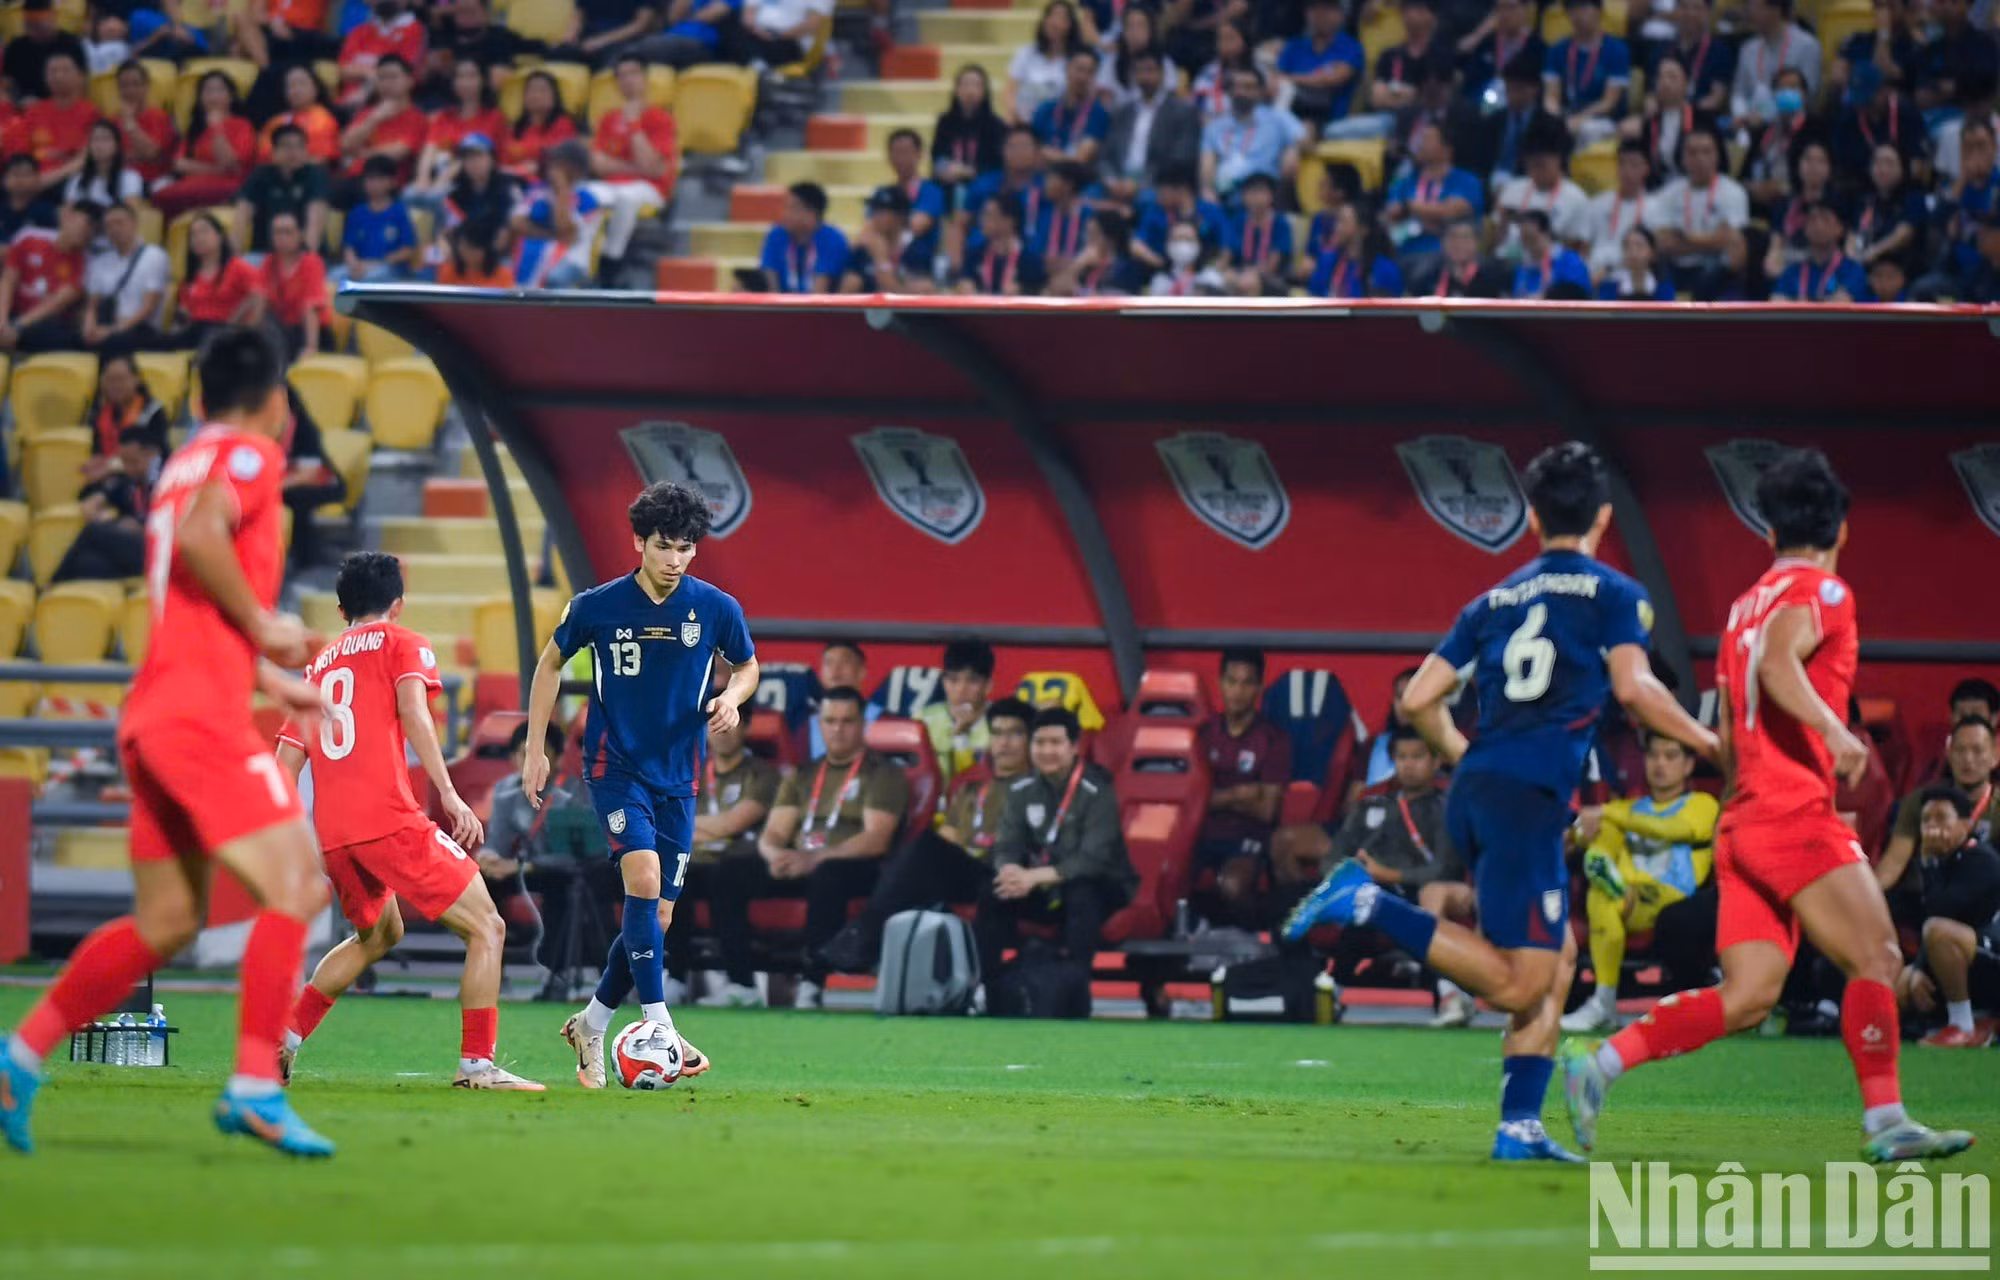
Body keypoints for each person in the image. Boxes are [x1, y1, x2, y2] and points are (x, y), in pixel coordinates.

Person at [1285, 441, 1721, 1163]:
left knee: (1559, 959)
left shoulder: (1491, 601)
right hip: (1524, 799)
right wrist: (1710, 745)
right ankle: (1365, 902)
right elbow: (1634, 689)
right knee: (1522, 982)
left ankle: (1519, 1126)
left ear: (1530, 517)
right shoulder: (1616, 594)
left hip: (1491, 788)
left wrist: (1467, 755)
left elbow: (1421, 699)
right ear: (1604, 517)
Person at [1561, 448, 1974, 1164]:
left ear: (1767, 532)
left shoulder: (1742, 605)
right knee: (1876, 954)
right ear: (1842, 530)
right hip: (1791, 811)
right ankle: (1887, 1122)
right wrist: (1834, 728)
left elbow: (1730, 709)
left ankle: (1599, 1066)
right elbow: (1779, 664)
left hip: (1742, 816)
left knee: (1750, 994)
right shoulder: (1825, 593)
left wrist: (1741, 776)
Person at [0, 327, 335, 1158]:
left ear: (192, 398)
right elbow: (201, 541)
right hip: (198, 719)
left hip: (154, 713)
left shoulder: (176, 466)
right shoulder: (250, 455)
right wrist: (264, 625)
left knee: (168, 919)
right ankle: (257, 1084)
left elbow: (188, 600)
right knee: (296, 885)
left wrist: (267, 675)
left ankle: (17, 1057)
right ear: (277, 405)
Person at [274, 553, 542, 1091]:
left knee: (377, 935)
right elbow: (416, 713)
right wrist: (449, 794)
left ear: (341, 607)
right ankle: (477, 1065)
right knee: (487, 927)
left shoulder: (318, 665)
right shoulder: (403, 643)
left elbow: (286, 759)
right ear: (397, 604)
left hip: (335, 835)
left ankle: (283, 1038)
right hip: (389, 821)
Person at [525, 480, 758, 1088]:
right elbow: (550, 662)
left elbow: (748, 664)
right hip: (614, 765)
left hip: (679, 776)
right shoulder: (597, 606)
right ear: (638, 543)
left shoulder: (715, 608)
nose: (674, 560)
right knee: (644, 879)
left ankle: (594, 1021)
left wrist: (732, 696)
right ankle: (662, 1027)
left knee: (658, 918)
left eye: (685, 549)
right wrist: (534, 750)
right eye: (663, 547)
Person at [705, 686, 907, 1008]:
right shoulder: (804, 774)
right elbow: (774, 833)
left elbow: (876, 838)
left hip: (854, 865)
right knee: (728, 873)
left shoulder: (883, 773)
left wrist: (814, 859)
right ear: (820, 725)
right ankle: (741, 984)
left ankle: (813, 982)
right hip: (802, 860)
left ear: (862, 725)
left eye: (847, 721)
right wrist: (774, 856)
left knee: (828, 875)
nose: (837, 729)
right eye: (830, 721)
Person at [818, 697, 1035, 977]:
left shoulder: (1036, 788)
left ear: (1031, 739)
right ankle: (866, 944)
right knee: (919, 853)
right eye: (997, 733)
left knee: (924, 852)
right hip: (968, 870)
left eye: (1015, 734)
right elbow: (951, 836)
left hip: (1006, 871)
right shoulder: (972, 784)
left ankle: (864, 937)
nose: (1004, 743)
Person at [1561, 735, 1719, 1033]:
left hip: (1672, 898)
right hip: (1628, 894)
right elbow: (1584, 829)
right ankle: (1603, 865)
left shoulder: (1702, 804)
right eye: (1653, 756)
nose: (1660, 764)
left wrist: (1604, 811)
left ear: (1687, 766)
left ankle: (1604, 1004)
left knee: (1604, 881)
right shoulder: (1628, 807)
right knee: (1603, 884)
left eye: (1670, 756)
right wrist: (1576, 834)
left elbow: (1673, 829)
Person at [976, 706, 1135, 993]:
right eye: (1039, 743)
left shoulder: (1098, 791)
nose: (1046, 751)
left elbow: (1093, 860)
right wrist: (1010, 871)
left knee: (1082, 892)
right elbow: (1007, 843)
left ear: (1074, 747)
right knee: (995, 890)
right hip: (1041, 884)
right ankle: (989, 985)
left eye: (1055, 743)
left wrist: (1033, 878)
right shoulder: (1020, 790)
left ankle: (1072, 990)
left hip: (1102, 885)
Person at [667, 708, 778, 1000]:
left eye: (730, 723)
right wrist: (710, 829)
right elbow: (668, 821)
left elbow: (735, 822)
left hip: (743, 861)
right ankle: (675, 978)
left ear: (747, 727)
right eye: (714, 724)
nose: (722, 731)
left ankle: (741, 984)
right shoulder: (691, 771)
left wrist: (696, 828)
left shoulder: (762, 774)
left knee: (725, 880)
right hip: (697, 861)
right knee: (672, 877)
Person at [1895, 785, 2000, 1047]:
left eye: (1942, 818)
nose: (1932, 827)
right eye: (1926, 820)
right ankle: (1979, 1020)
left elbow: (1942, 913)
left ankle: (1962, 1025)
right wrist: (1917, 969)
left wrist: (1928, 864)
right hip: (1976, 960)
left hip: (1993, 955)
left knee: (1938, 931)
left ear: (1966, 825)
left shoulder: (1980, 859)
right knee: (1901, 982)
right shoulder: (1944, 861)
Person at [1193, 648, 1290, 927]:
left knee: (1233, 885)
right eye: (1231, 681)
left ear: (1259, 688)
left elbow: (1267, 811)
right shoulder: (1202, 734)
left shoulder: (1274, 740)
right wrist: (1238, 795)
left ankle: (1252, 942)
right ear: (1220, 683)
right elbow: (1191, 801)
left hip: (1248, 836)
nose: (1238, 691)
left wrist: (1214, 797)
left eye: (1247, 683)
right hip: (1200, 833)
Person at [1875, 716, 1997, 902]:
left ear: (1995, 756)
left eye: (1977, 750)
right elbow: (1893, 864)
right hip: (1927, 899)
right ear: (1948, 754)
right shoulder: (1921, 800)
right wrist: (1864, 899)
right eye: (1960, 750)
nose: (1968, 759)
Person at [588, 53, 677, 279]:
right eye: (621, 75)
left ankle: (610, 262)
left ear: (645, 79)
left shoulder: (661, 118)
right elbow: (598, 165)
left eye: (633, 73)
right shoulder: (608, 119)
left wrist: (634, 125)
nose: (627, 80)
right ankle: (577, 260)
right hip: (612, 186)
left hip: (652, 190)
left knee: (626, 198)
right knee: (584, 194)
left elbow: (655, 170)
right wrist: (637, 168)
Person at [1100, 48, 1200, 206]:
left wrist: (1139, 184)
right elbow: (1106, 155)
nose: (1144, 77)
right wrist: (1112, 181)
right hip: (1118, 181)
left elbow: (1180, 158)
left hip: (1157, 184)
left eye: (1150, 70)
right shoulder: (1122, 111)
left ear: (1162, 74)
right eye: (1139, 71)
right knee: (1087, 198)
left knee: (1147, 201)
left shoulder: (1182, 111)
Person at [153, 70, 255, 219]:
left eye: (219, 90)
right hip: (191, 185)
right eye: (208, 91)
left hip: (229, 187)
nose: (213, 96)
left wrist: (216, 129)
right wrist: (217, 169)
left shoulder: (242, 125)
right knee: (160, 196)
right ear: (200, 98)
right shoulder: (196, 128)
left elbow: (232, 166)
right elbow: (180, 164)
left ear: (231, 96)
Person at [1198, 66, 1304, 206]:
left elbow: (1305, 136)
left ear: (1260, 91)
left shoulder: (1278, 118)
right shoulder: (1216, 126)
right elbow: (1207, 163)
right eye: (1236, 87)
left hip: (1263, 194)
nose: (1240, 92)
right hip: (1223, 194)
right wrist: (1207, 190)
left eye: (1248, 87)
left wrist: (1294, 148)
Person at [0, 201, 92, 353]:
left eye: (92, 229)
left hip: (42, 322)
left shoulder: (85, 262)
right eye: (84, 224)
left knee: (58, 339)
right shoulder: (29, 237)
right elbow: (8, 281)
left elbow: (57, 302)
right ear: (67, 217)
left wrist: (18, 326)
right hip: (11, 312)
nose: (87, 232)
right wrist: (2, 320)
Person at [511, 139, 602, 289]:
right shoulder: (540, 188)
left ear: (575, 168)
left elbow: (564, 229)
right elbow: (517, 222)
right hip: (536, 252)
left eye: (558, 162)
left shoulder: (588, 197)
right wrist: (549, 234)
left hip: (573, 260)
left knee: (555, 278)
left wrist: (562, 188)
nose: (551, 166)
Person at [81, 202, 169, 351]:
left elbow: (148, 307)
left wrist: (113, 331)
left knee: (115, 343)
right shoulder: (100, 261)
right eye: (108, 225)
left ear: (134, 223)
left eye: (119, 223)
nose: (114, 229)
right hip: (106, 325)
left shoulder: (154, 256)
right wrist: (89, 328)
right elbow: (92, 305)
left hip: (139, 328)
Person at [234, 123, 331, 257]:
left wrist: (308, 260)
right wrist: (234, 258)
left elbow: (315, 222)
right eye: (287, 146)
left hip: (302, 256)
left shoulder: (315, 175)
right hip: (266, 256)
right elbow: (242, 217)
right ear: (273, 151)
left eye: (299, 147)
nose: (294, 152)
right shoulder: (260, 175)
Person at [1542, 0, 1630, 147]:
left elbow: (1609, 101)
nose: (1577, 15)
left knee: (1588, 131)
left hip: (1600, 118)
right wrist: (1556, 117)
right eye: (1572, 9)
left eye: (1583, 8)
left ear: (1598, 10)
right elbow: (1551, 96)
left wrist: (1581, 118)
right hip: (1567, 114)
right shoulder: (1557, 50)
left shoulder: (1617, 50)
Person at [1276, 0, 1363, 131]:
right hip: (1290, 111)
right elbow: (1275, 79)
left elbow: (1335, 79)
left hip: (1329, 119)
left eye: (1327, 8)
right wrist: (1317, 79)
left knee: (1304, 129)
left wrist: (1291, 78)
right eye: (1314, 8)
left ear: (1340, 14)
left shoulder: (1350, 46)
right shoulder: (1295, 45)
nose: (1320, 14)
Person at [919, 639, 996, 781]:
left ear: (988, 685)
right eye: (953, 680)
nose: (961, 690)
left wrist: (961, 737)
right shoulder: (923, 720)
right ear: (943, 682)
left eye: (972, 681)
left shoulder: (1000, 722)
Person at [932, 66, 1008, 206]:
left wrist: (969, 171)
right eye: (965, 84)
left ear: (985, 91)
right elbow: (937, 155)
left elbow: (997, 163)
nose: (970, 91)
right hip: (950, 181)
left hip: (982, 183)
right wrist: (945, 168)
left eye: (976, 85)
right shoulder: (945, 122)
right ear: (957, 90)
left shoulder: (995, 125)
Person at [259, 210, 331, 357]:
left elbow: (311, 307)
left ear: (300, 235)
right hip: (283, 332)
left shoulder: (312, 262)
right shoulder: (268, 262)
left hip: (313, 333)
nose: (282, 238)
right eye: (277, 232)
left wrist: (311, 346)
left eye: (287, 232)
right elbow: (262, 302)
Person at [339, 153, 419, 282]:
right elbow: (349, 247)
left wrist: (376, 264)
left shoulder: (399, 211)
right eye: (370, 178)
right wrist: (354, 265)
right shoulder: (356, 212)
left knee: (371, 278)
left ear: (392, 182)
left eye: (380, 179)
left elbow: (407, 249)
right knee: (333, 278)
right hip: (360, 266)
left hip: (392, 269)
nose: (374, 184)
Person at [1008, 1, 1085, 125]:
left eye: (1061, 18)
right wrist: (1016, 114)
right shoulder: (1026, 53)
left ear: (1070, 25)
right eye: (1051, 16)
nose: (1054, 23)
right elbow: (1010, 91)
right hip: (1025, 122)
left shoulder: (1076, 59)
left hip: (1060, 124)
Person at [1772, 201, 1867, 302]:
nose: (1818, 225)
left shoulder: (1852, 270)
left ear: (1840, 229)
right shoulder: (1792, 271)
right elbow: (1776, 302)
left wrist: (1797, 302)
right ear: (1805, 229)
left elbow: (1840, 304)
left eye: (1825, 219)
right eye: (1812, 219)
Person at [1033, 49, 1109, 167]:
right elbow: (1033, 151)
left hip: (1076, 177)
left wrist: (1047, 154)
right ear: (1067, 69)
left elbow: (1081, 158)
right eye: (1079, 69)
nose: (1083, 77)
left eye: (1090, 72)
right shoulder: (1045, 109)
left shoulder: (1098, 113)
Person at [257, 64, 343, 167]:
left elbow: (321, 158)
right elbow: (264, 155)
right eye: (291, 85)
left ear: (315, 89)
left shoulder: (324, 120)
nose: (296, 90)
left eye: (302, 84)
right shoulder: (276, 122)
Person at [1511, 209, 1592, 299]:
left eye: (1522, 225)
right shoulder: (1524, 267)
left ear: (1538, 227)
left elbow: (1578, 293)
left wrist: (1545, 297)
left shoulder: (1568, 259)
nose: (1519, 231)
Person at [61, 120, 144, 207]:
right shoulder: (77, 180)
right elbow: (68, 213)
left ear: (117, 145)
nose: (99, 144)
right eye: (95, 139)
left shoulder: (130, 178)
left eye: (105, 139)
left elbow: (130, 212)